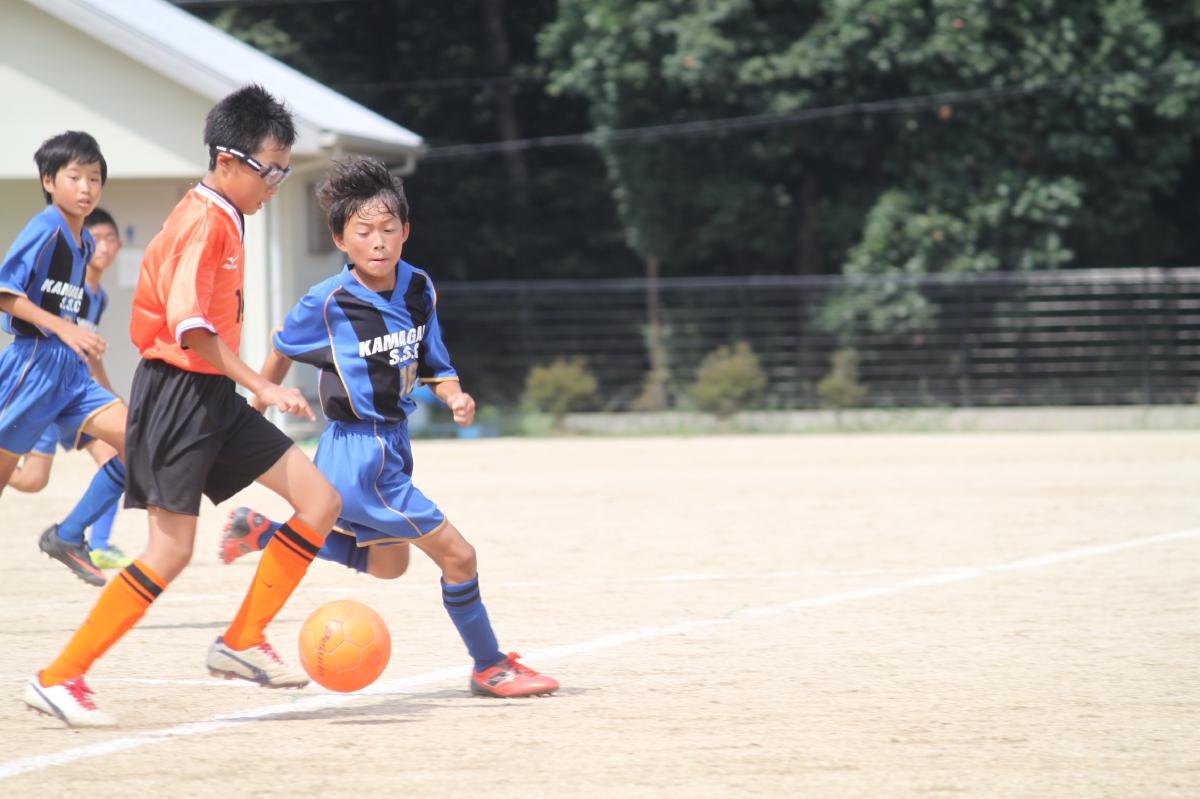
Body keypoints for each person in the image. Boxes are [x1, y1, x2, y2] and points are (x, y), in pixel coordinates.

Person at [22, 85, 341, 729]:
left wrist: (242, 386)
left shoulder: (227, 213)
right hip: (178, 396)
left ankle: (242, 640)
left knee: (320, 502)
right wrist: (263, 385)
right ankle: (58, 678)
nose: (276, 183)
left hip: (212, 393)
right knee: (168, 552)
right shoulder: (204, 220)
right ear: (228, 161)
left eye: (283, 170)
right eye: (270, 169)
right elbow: (189, 326)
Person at [221, 156, 558, 699]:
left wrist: (454, 395)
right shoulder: (328, 301)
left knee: (388, 563)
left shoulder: (419, 287)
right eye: (363, 231)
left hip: (391, 447)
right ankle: (490, 665)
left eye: (387, 228)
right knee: (459, 556)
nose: (377, 242)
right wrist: (257, 408)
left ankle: (267, 532)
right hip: (359, 453)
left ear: (405, 230)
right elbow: (281, 347)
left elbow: (434, 363)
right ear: (340, 239)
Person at [0, 133, 129, 591]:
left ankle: (69, 535)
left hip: (70, 374)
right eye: (74, 177)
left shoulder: (84, 244)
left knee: (139, 443)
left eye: (94, 178)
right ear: (49, 181)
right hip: (33, 366)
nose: (86, 188)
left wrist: (76, 337)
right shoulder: (46, 228)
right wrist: (65, 328)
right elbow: (5, 293)